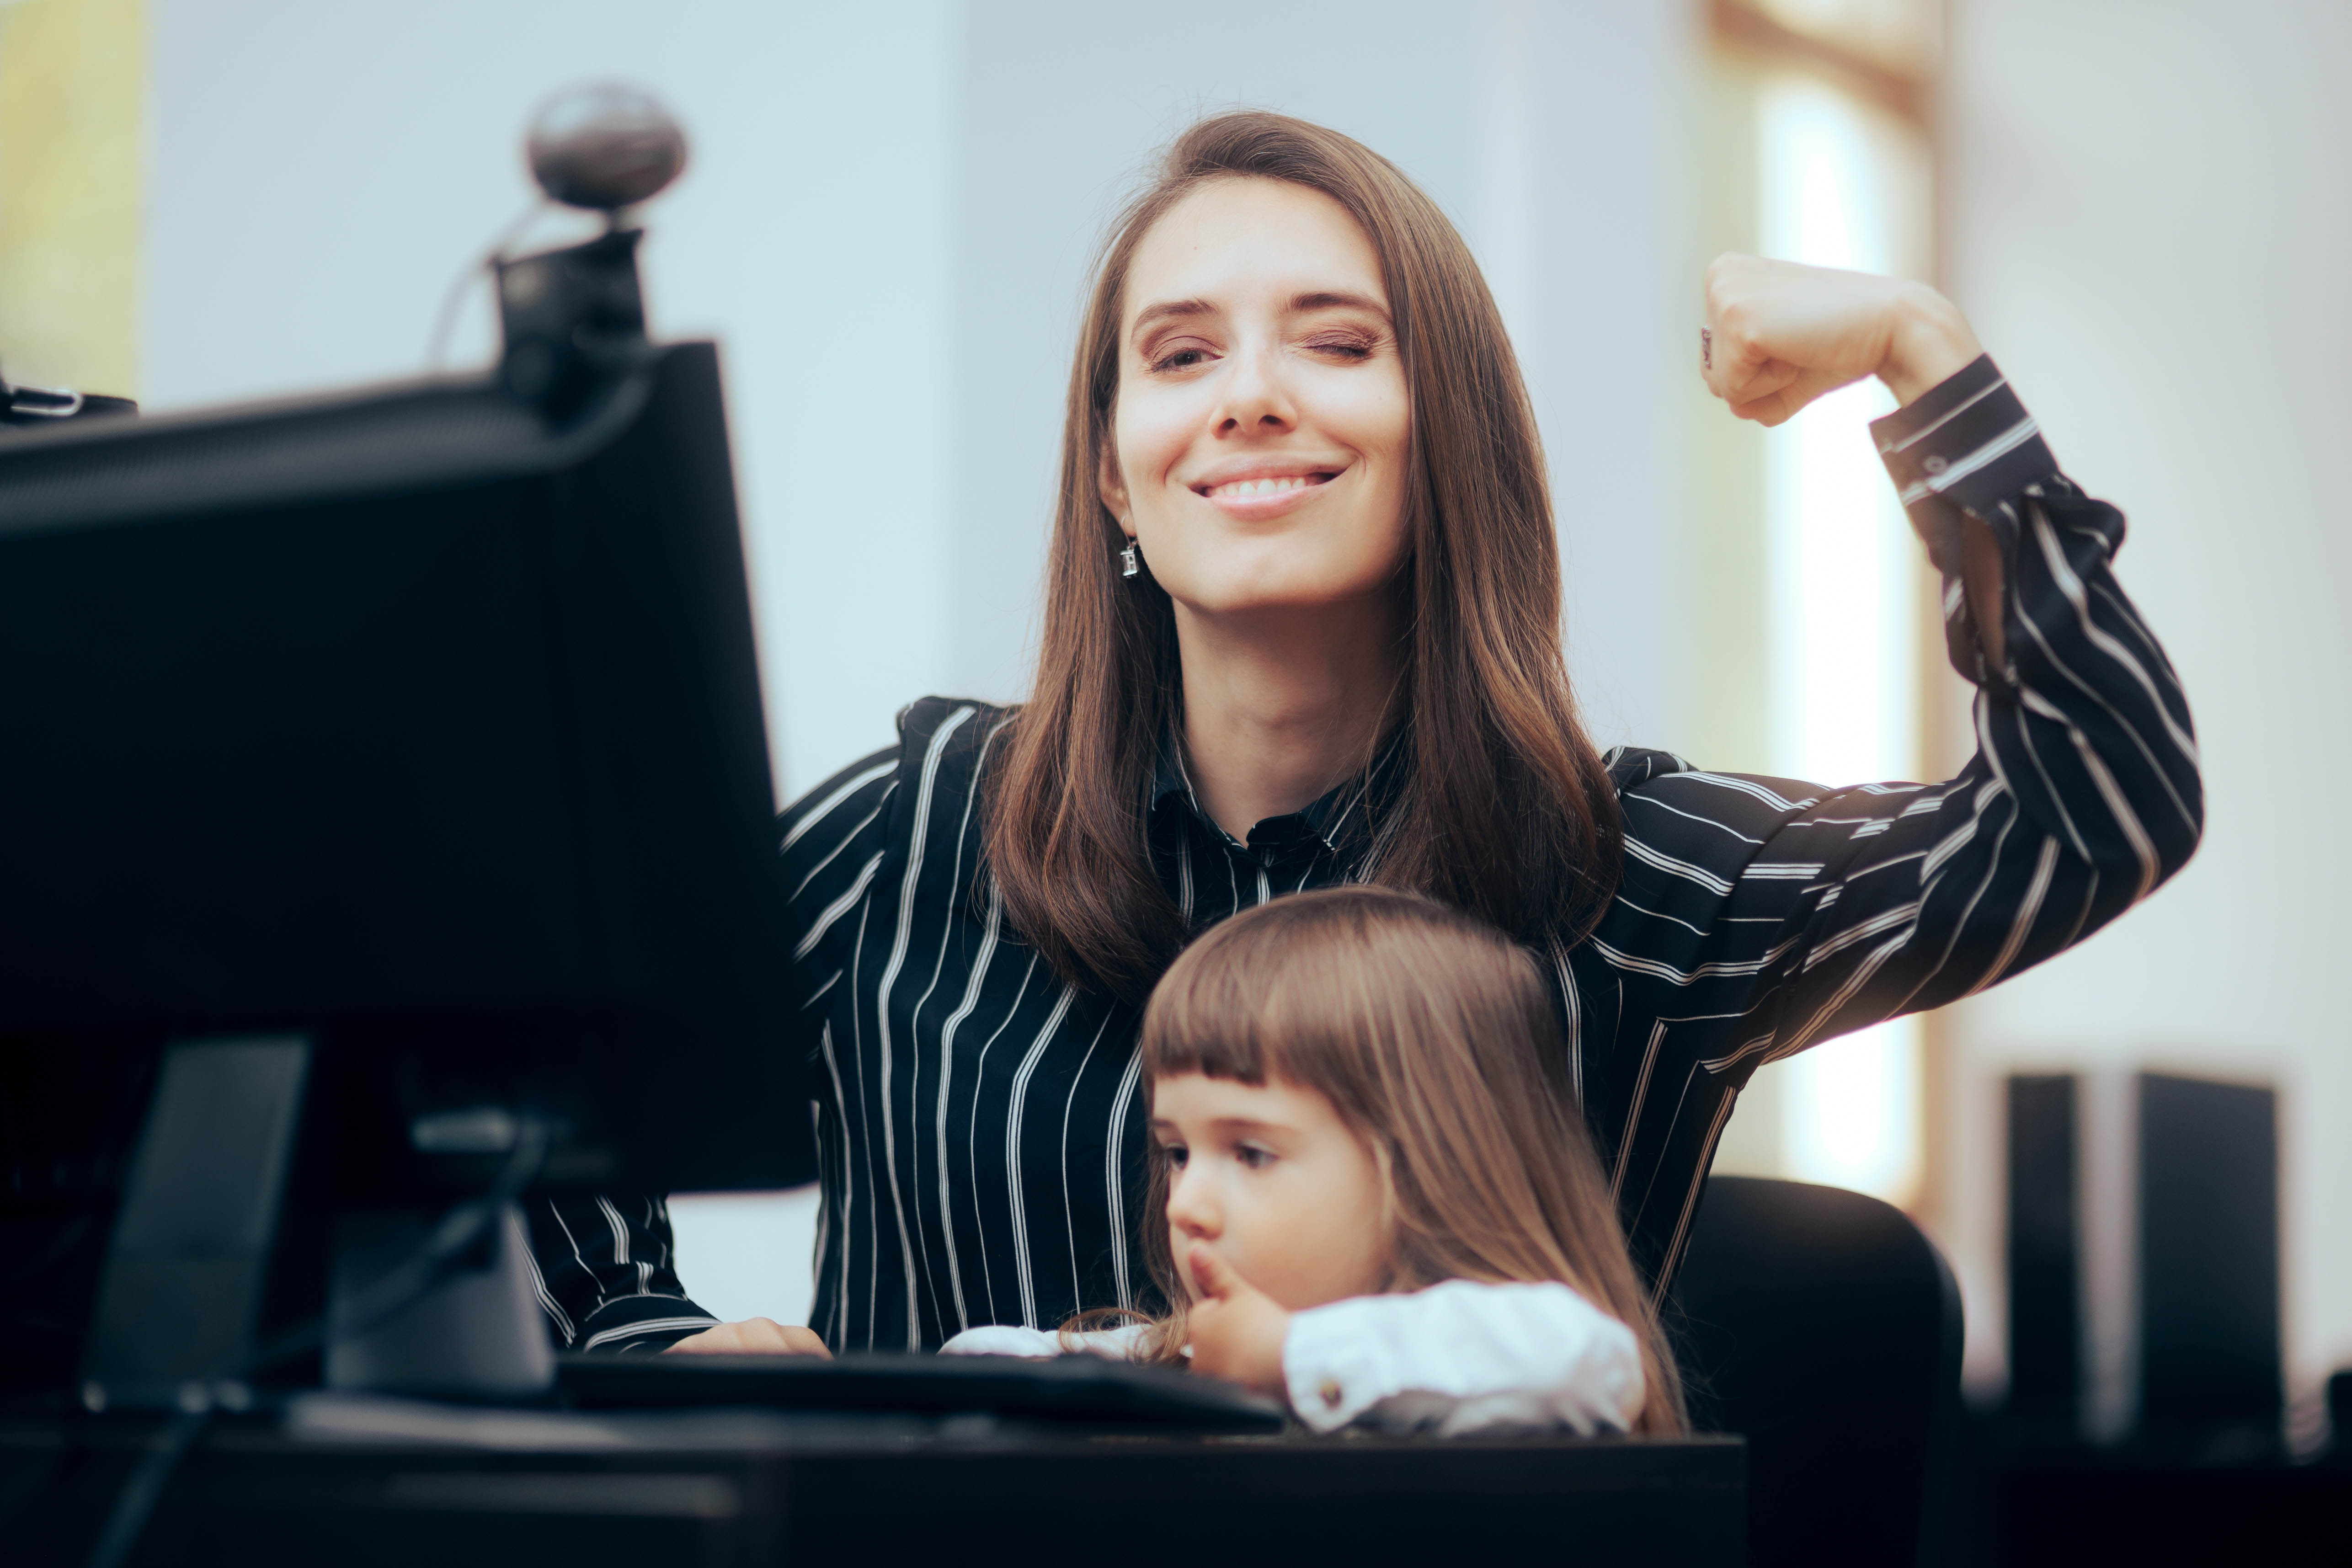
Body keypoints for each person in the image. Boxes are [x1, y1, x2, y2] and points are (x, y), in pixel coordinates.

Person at [525, 110, 2201, 1358]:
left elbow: (2098, 810)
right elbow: (535, 1056)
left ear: (1442, 435)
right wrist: (641, 1330)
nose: (1249, 395)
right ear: (1115, 473)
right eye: (1178, 356)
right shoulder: (919, 826)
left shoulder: (1635, 874)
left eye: (1336, 342)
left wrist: (1921, 355)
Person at [941, 886, 1680, 1437]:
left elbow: (1589, 1358)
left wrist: (1291, 1354)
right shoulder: (1195, 1353)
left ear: (1429, 1166)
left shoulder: (1510, 1354)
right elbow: (1011, 1361)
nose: (1185, 1203)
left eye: (1251, 1152)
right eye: (1177, 1151)